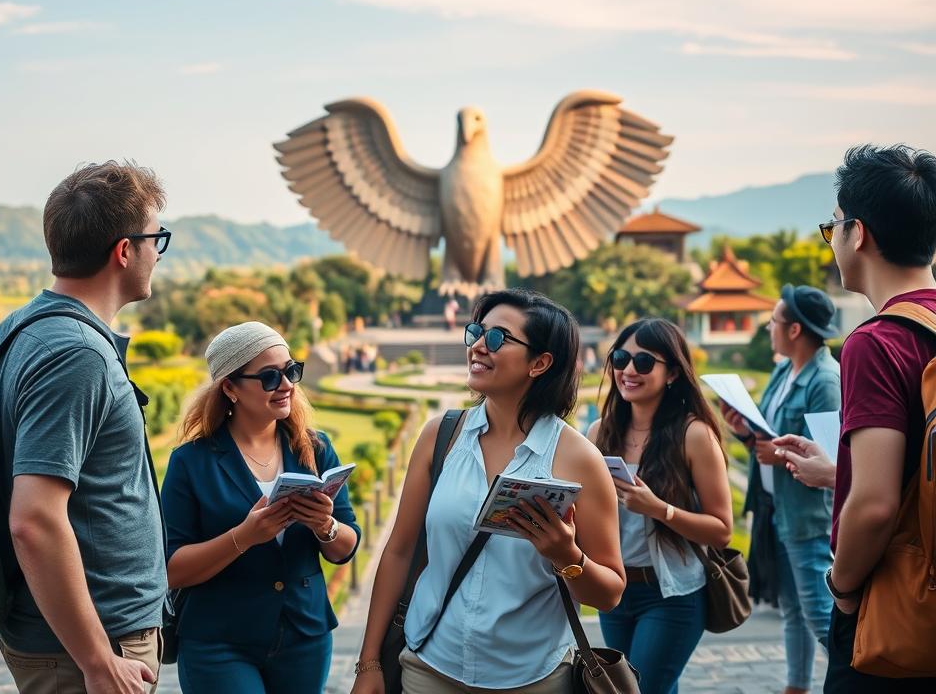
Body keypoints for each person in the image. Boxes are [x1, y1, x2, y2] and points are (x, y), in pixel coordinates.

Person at [351, 289, 625, 694]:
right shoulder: (440, 436)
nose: (478, 346)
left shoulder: (578, 460)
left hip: (532, 678)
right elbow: (399, 551)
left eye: (498, 338)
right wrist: (369, 662)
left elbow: (610, 593)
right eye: (477, 332)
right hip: (429, 667)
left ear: (540, 363)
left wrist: (566, 556)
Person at [0, 161, 170, 693]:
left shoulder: (23, 326)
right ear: (124, 250)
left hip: (75, 639)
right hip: (88, 647)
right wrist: (97, 661)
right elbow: (35, 520)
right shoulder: (77, 355)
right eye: (155, 239)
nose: (158, 253)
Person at [161, 321, 360, 694]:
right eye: (270, 377)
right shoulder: (191, 462)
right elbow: (171, 569)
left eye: (291, 371)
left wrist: (325, 526)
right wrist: (244, 537)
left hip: (304, 634)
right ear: (230, 388)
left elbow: (346, 546)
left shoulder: (315, 449)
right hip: (218, 642)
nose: (286, 385)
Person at [818, 144, 936, 692]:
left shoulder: (877, 342)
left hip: (898, 604)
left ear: (858, 233)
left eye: (833, 226)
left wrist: (842, 588)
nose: (834, 240)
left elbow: (875, 504)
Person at [589, 318, 733, 694]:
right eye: (621, 359)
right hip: (614, 592)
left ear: (672, 373)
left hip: (672, 594)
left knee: (638, 690)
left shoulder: (694, 434)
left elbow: (722, 528)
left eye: (644, 362)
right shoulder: (599, 434)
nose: (629, 370)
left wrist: (658, 508)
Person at [720, 285, 840, 694]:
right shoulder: (783, 370)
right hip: (775, 509)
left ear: (793, 330)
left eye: (773, 320)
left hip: (807, 516)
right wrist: (743, 431)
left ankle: (853, 679)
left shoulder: (825, 380)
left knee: (820, 614)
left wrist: (779, 455)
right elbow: (767, 439)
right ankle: (796, 686)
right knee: (793, 609)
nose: (768, 327)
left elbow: (828, 454)